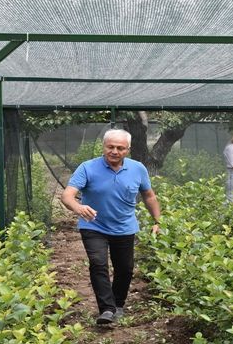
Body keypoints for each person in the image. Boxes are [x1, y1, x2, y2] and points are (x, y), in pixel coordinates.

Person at [61, 129, 161, 325]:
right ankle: (106, 309)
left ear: (128, 150)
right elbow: (67, 196)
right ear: (103, 146)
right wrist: (79, 208)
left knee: (125, 269)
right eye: (110, 147)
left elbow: (149, 196)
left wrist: (158, 221)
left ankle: (118, 304)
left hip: (124, 227)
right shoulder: (88, 168)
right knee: (98, 263)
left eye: (120, 148)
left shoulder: (138, 168)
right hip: (93, 226)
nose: (114, 151)